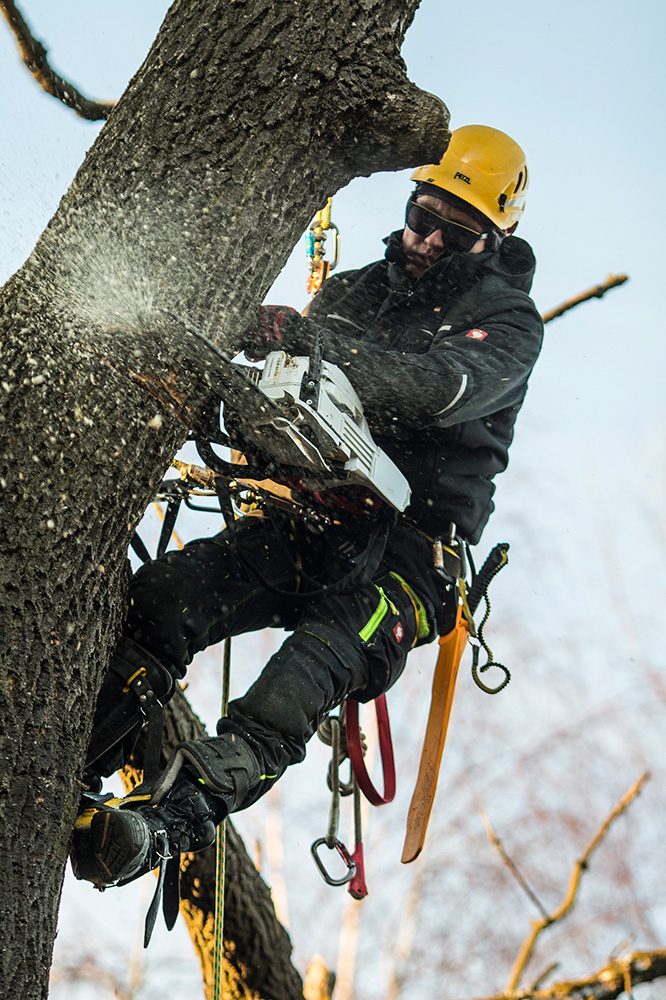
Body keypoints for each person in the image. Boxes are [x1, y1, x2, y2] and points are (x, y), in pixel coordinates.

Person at [71, 124, 543, 890]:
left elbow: (438, 389)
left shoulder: (509, 324)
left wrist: (319, 346)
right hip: (311, 522)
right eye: (424, 217)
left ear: (494, 239)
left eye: (455, 236)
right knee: (164, 599)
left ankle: (161, 828)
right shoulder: (357, 286)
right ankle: (67, 764)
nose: (428, 243)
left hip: (405, 560)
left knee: (299, 680)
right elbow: (294, 386)